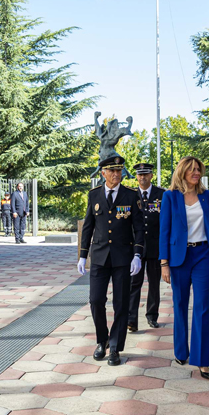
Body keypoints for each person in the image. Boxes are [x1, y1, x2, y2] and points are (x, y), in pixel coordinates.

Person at [76, 155, 145, 367]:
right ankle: (102, 340)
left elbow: (139, 228)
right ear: (103, 173)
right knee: (96, 300)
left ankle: (115, 346)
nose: (117, 174)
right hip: (99, 256)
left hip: (123, 257)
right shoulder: (94, 194)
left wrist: (137, 254)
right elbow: (88, 226)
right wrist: (82, 255)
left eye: (120, 170)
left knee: (121, 303)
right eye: (112, 171)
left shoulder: (131, 195)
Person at [158, 156, 209, 380]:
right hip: (178, 258)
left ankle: (203, 360)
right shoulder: (170, 197)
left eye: (199, 170)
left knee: (203, 306)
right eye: (192, 170)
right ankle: (181, 351)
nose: (196, 173)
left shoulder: (207, 196)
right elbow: (164, 231)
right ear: (182, 172)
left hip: (203, 254)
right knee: (180, 304)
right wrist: (163, 263)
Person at [129, 163, 164, 331]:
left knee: (154, 284)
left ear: (151, 176)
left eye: (146, 174)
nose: (142, 177)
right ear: (137, 177)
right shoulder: (130, 194)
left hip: (155, 247)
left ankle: (152, 316)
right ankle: (131, 320)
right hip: (136, 248)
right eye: (140, 175)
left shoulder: (161, 194)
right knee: (134, 284)